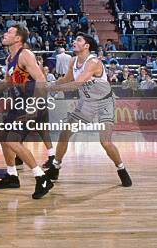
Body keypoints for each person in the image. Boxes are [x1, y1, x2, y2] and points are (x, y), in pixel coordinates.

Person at [45, 33, 132, 187]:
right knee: (65, 133)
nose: (73, 41)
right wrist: (50, 83)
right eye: (74, 39)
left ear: (86, 46)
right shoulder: (73, 60)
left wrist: (53, 88)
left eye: (78, 40)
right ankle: (55, 167)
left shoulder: (93, 62)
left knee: (105, 142)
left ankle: (121, 169)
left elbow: (77, 83)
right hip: (86, 103)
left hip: (104, 103)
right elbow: (66, 79)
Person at [0, 25, 54, 199]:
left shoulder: (25, 54)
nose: (4, 34)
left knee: (12, 140)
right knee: (3, 137)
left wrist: (34, 104)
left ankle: (42, 178)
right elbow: (7, 82)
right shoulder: (10, 58)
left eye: (9, 32)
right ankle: (12, 176)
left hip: (29, 103)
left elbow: (40, 79)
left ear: (18, 38)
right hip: (18, 103)